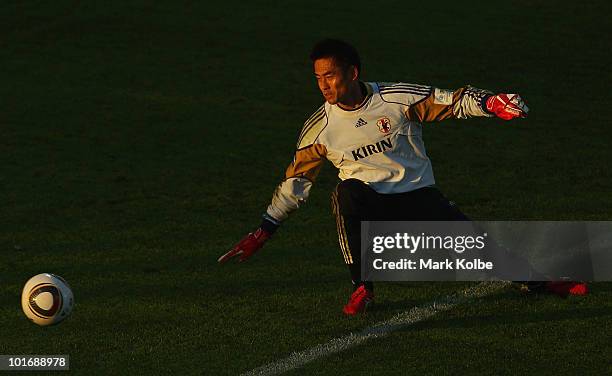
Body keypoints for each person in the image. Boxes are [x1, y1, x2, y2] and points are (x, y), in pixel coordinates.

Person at [218, 39, 584, 315]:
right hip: (372, 202)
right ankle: (362, 287)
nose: (324, 85)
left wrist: (490, 104)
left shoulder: (397, 98)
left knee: (481, 250)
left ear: (353, 73)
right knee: (345, 193)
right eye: (318, 78)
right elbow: (296, 183)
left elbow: (453, 101)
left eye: (330, 75)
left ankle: (539, 282)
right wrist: (265, 229)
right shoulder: (319, 129)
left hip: (418, 195)